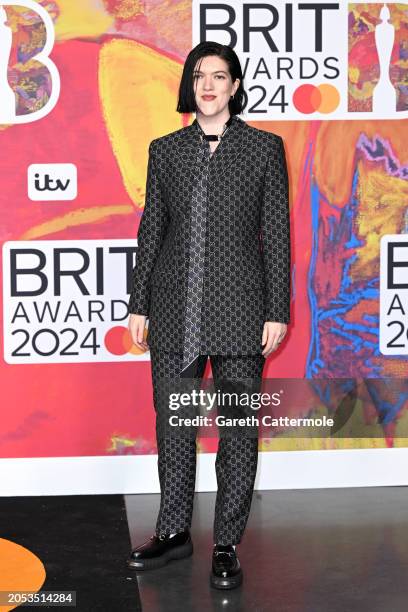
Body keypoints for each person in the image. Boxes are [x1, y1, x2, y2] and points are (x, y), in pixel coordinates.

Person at [127, 41, 291, 590]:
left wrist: (277, 309)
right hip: (174, 310)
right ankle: (173, 531)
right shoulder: (165, 150)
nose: (209, 85)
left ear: (235, 86)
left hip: (243, 311)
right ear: (190, 85)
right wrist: (138, 302)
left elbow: (277, 236)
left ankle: (226, 543)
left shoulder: (264, 150)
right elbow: (152, 230)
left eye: (219, 76)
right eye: (200, 76)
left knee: (238, 432)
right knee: (174, 426)